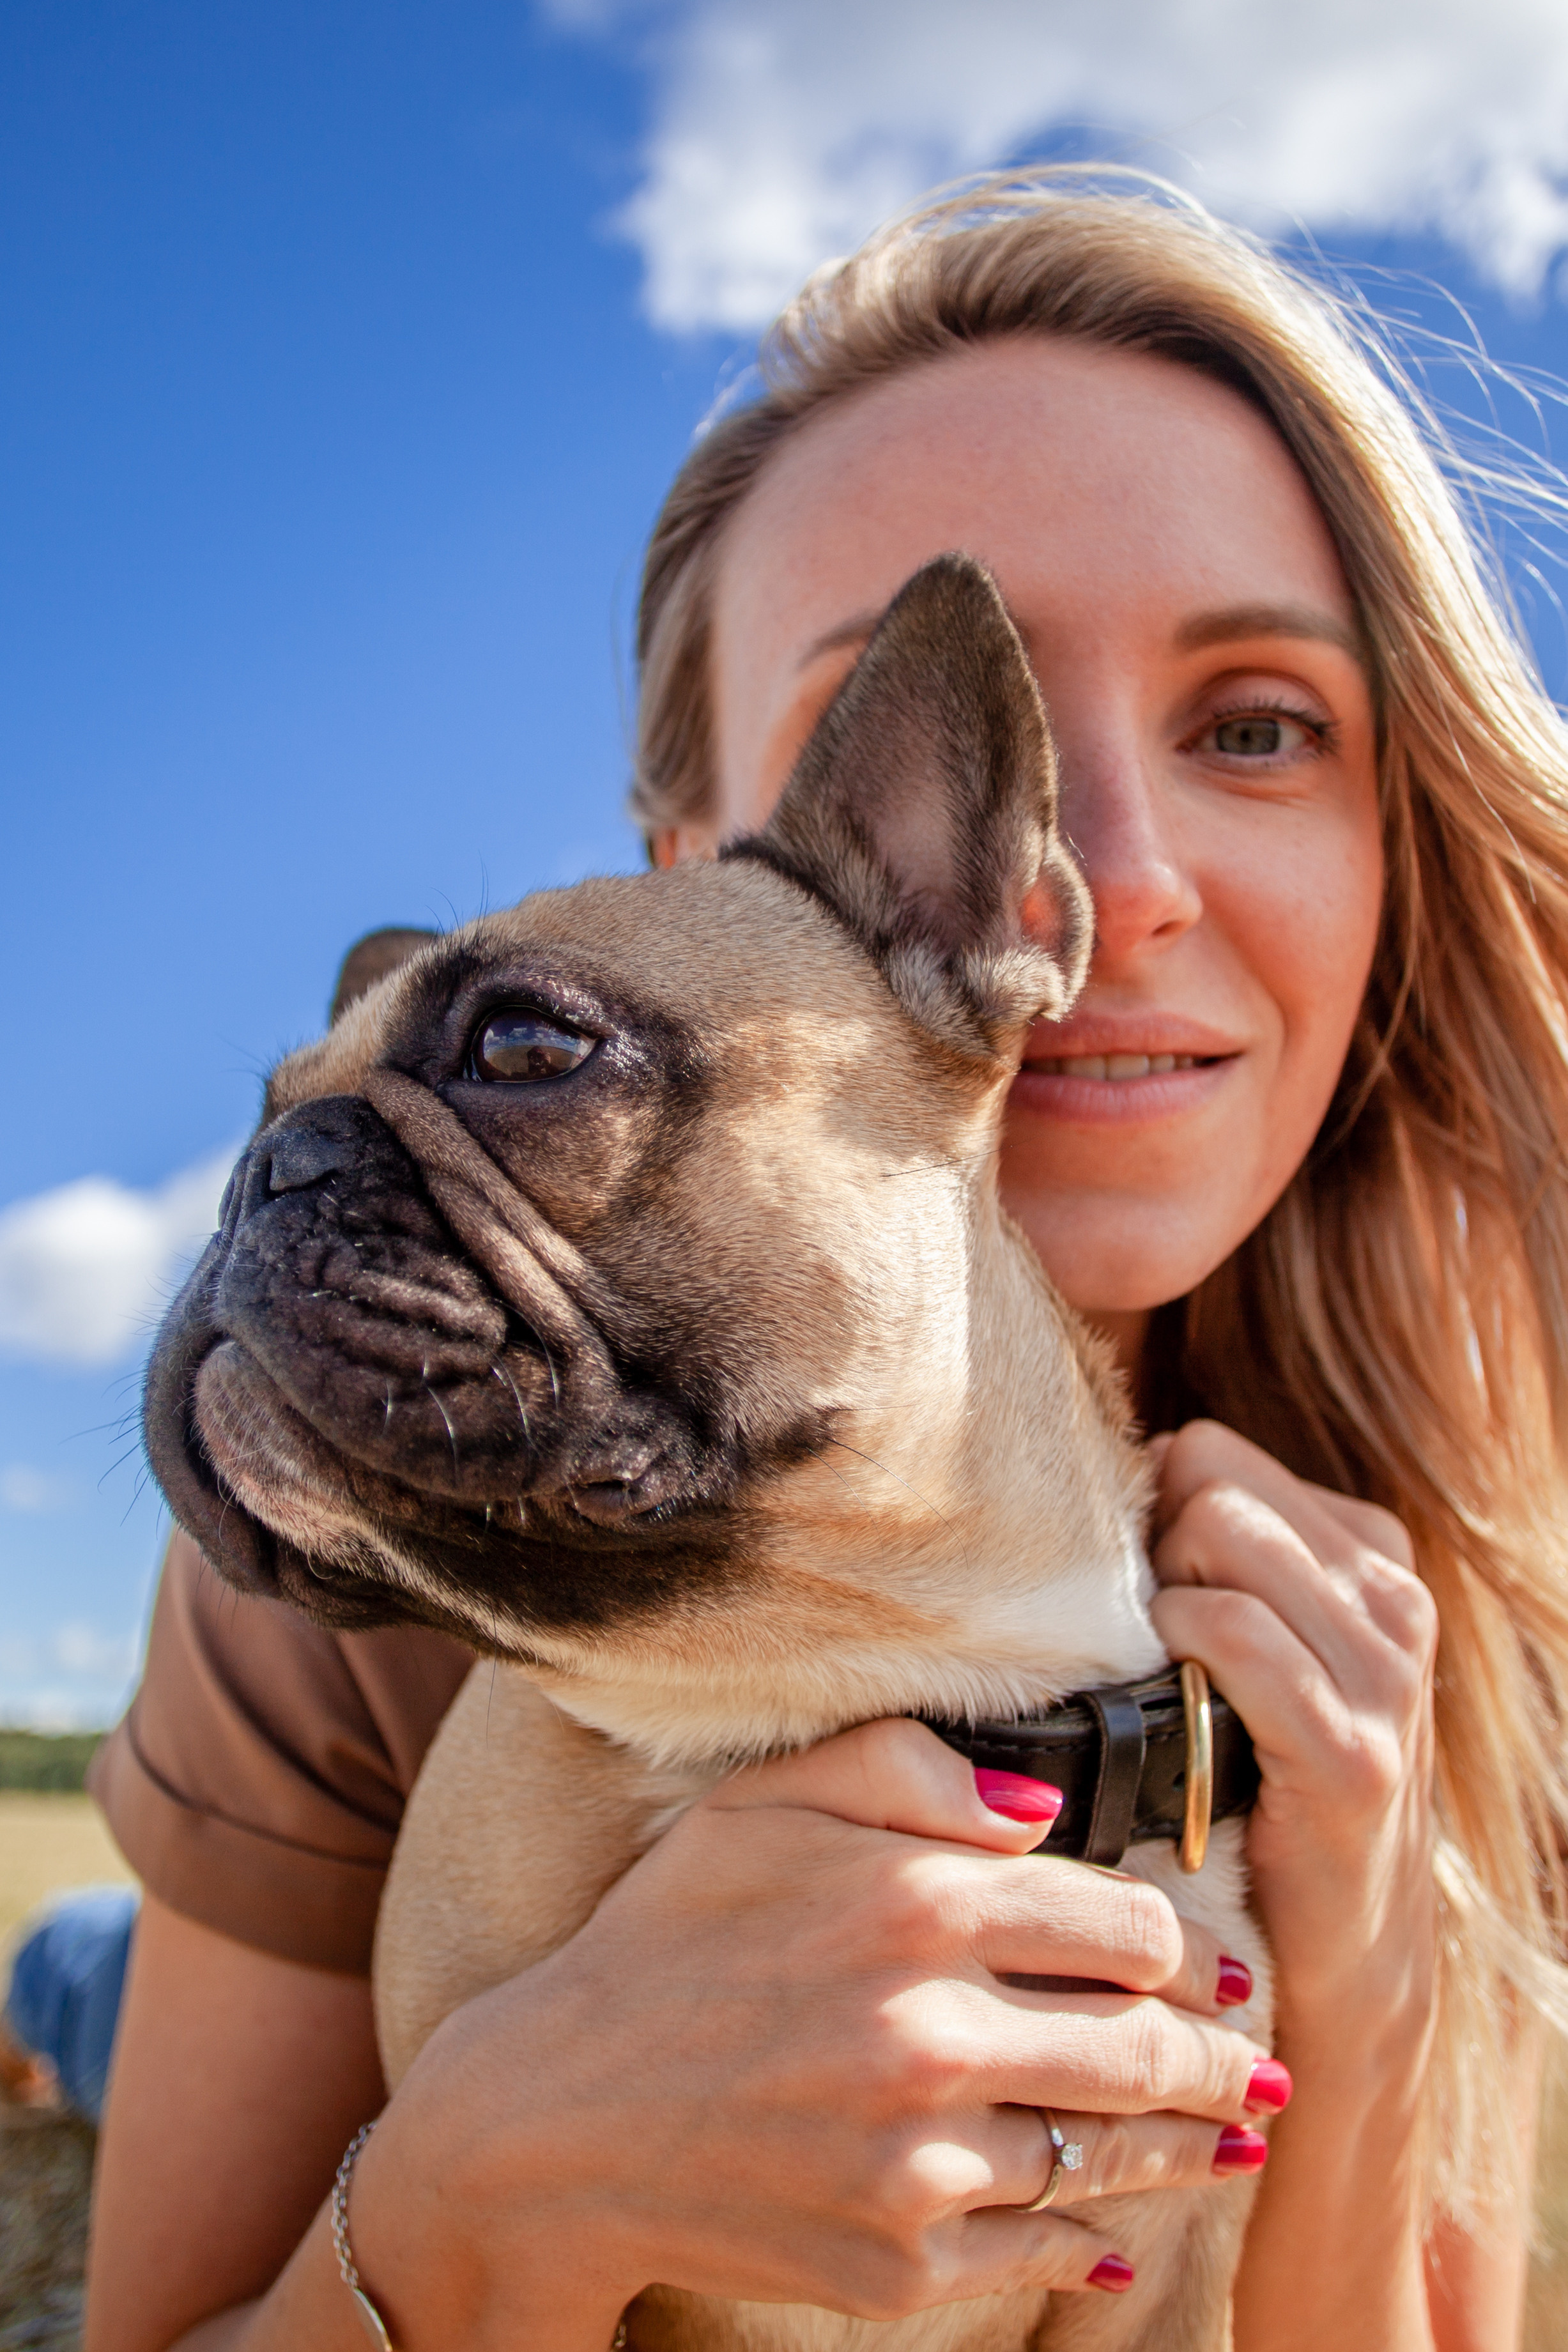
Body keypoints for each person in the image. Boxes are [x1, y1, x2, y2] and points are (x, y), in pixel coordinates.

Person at [82, 169, 1568, 2351]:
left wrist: (1363, 1995)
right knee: (91, 1984)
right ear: (695, 873)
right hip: (260, 1909)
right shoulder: (414, 1466)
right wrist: (479, 2186)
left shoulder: (1448, 1557)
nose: (1103, 874)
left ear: (1392, 837)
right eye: (930, 755)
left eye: (1255, 724)